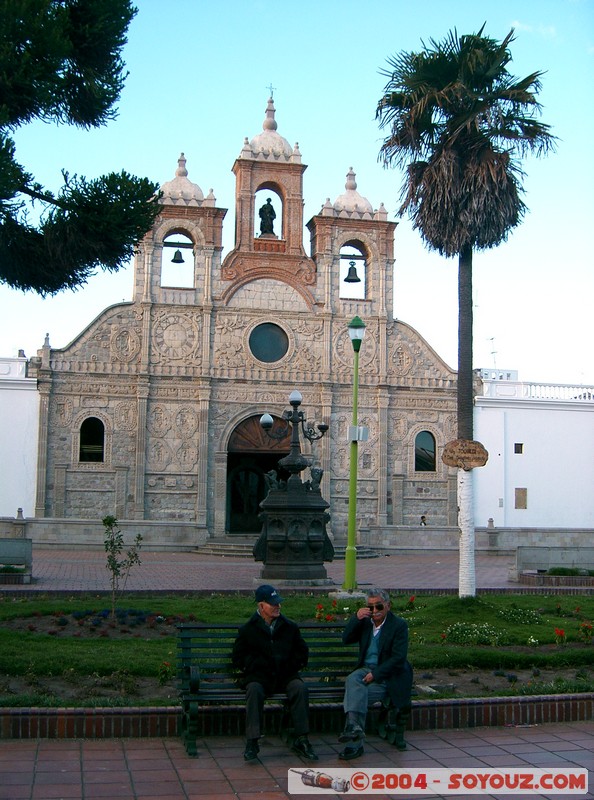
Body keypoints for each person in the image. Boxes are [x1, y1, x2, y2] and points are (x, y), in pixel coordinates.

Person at [232, 584, 318, 762]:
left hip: (285, 675)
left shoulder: (289, 627)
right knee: (254, 690)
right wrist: (256, 666)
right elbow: (238, 658)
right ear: (261, 606)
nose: (278, 606)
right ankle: (252, 741)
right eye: (273, 604)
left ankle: (302, 739)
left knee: (299, 688)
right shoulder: (248, 629)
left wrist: (290, 665)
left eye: (278, 603)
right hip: (260, 676)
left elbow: (302, 652)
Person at [338, 587, 413, 760]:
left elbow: (398, 658)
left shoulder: (398, 625)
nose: (374, 611)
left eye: (378, 606)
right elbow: (346, 639)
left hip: (389, 676)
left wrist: (376, 674)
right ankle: (354, 732)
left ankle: (353, 744)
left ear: (388, 606)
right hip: (365, 670)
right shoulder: (365, 623)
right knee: (353, 679)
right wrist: (355, 618)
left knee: (357, 693)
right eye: (370, 607)